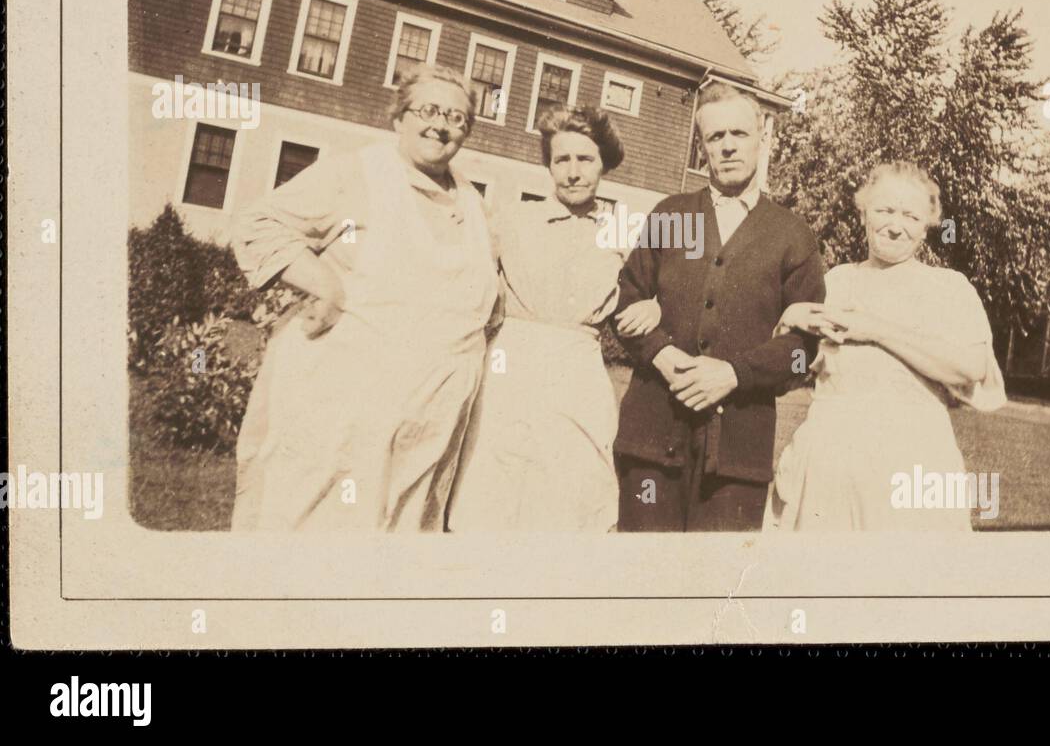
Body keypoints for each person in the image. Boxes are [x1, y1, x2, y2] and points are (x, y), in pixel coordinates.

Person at [229, 64, 497, 531]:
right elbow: (258, 225)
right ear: (398, 117)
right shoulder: (359, 174)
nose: (441, 125)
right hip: (343, 407)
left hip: (428, 426)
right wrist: (324, 284)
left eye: (457, 118)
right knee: (319, 531)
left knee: (398, 539)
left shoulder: (472, 203)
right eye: (429, 110)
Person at [613, 81, 827, 532]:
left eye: (739, 134)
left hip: (736, 455)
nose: (727, 147)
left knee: (717, 585)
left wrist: (734, 375)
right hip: (651, 439)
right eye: (715, 137)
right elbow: (628, 301)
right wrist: (664, 357)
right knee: (640, 580)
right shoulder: (673, 215)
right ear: (702, 145)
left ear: (762, 138)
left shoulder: (791, 234)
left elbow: (802, 348)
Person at [769, 162, 1007, 531]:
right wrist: (790, 321)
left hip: (911, 466)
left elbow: (971, 367)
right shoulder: (834, 281)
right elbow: (791, 375)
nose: (896, 226)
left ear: (927, 225)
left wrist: (876, 330)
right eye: (884, 211)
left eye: (911, 216)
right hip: (828, 469)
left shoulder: (949, 288)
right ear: (863, 212)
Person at [448, 106, 647, 532]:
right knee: (495, 488)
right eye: (562, 160)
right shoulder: (513, 220)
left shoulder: (623, 230)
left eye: (585, 159)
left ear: (604, 164)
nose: (573, 172)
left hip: (578, 371)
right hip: (511, 368)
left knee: (569, 492)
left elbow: (653, 290)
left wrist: (655, 305)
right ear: (548, 164)